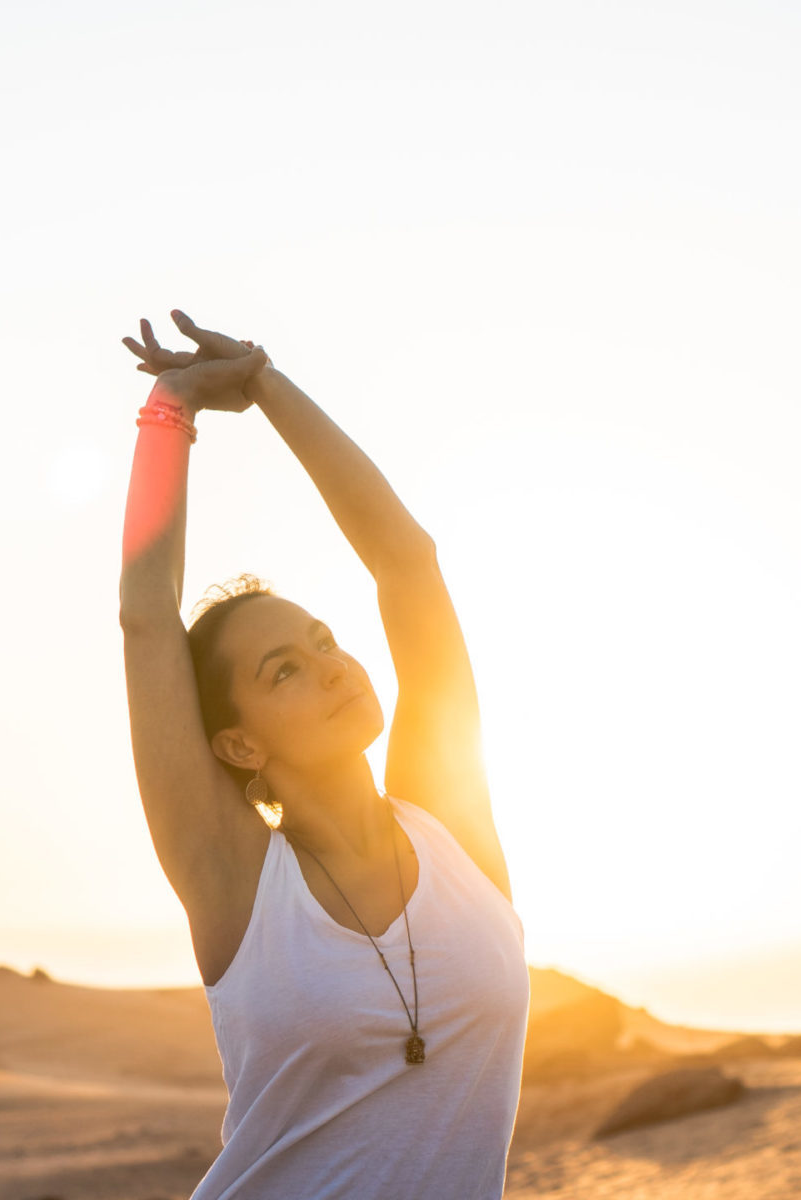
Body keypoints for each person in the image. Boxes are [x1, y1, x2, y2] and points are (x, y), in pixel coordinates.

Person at [117, 311, 530, 1199]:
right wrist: (170, 412)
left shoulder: (450, 818)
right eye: (285, 671)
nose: (333, 666)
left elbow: (406, 564)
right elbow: (147, 621)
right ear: (236, 741)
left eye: (324, 640)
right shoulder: (234, 880)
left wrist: (265, 381)